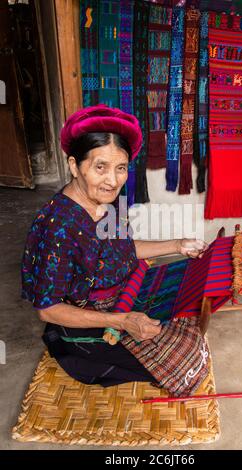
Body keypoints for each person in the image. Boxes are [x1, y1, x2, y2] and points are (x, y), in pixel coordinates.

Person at [21, 104, 207, 390]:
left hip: (123, 294)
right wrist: (122, 321)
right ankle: (80, 356)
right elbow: (48, 310)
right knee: (188, 359)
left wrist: (178, 245)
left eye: (120, 168)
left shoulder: (105, 203)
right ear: (74, 165)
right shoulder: (59, 226)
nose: (112, 180)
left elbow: (120, 251)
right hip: (92, 319)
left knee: (189, 314)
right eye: (100, 167)